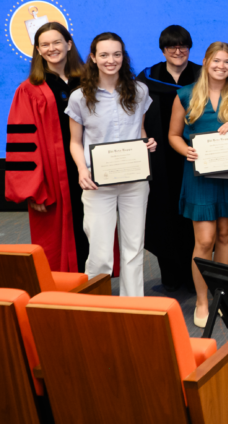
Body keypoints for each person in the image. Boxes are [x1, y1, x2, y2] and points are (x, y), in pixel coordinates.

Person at [67, 33, 157, 297]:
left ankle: (132, 309)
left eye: (116, 54)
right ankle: (96, 310)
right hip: (97, 183)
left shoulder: (139, 90)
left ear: (123, 57)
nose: (111, 60)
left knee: (133, 248)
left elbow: (139, 130)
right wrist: (82, 171)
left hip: (134, 182)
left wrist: (147, 143)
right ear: (93, 58)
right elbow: (74, 142)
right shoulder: (79, 97)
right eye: (104, 55)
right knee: (100, 252)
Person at [169, 42, 228, 326]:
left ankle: (220, 296)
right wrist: (186, 151)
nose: (221, 66)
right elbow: (173, 135)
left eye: (227, 62)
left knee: (226, 237)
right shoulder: (185, 95)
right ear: (205, 62)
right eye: (216, 61)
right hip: (199, 175)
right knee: (204, 241)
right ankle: (203, 301)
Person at [6, 23, 87, 272]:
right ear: (38, 51)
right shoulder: (29, 90)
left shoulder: (87, 82)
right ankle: (62, 300)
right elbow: (22, 144)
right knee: (57, 243)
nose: (52, 48)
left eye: (57, 42)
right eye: (45, 44)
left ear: (68, 44)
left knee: (95, 234)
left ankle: (96, 290)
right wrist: (33, 189)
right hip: (54, 177)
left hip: (92, 169)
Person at [138, 25, 201, 292]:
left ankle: (195, 276)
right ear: (163, 50)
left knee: (194, 215)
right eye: (171, 46)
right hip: (159, 158)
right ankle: (171, 276)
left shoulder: (201, 75)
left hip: (195, 155)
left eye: (183, 46)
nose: (178, 51)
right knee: (163, 211)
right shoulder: (148, 77)